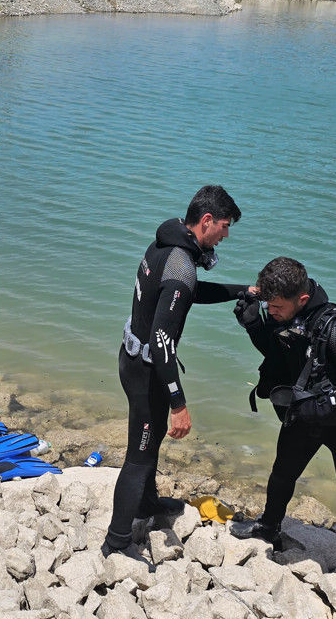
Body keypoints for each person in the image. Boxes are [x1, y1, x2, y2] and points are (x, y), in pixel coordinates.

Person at [102, 185, 249, 555]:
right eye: (225, 227)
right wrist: (178, 403)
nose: (226, 235)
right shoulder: (182, 264)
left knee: (148, 446)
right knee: (140, 454)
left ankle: (148, 503)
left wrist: (243, 290)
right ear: (206, 221)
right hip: (148, 368)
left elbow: (188, 291)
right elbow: (162, 339)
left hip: (131, 357)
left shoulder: (167, 243)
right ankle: (115, 543)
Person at [233, 257, 336, 609]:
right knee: (281, 475)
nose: (273, 311)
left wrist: (322, 406)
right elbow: (282, 356)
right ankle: (267, 528)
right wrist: (255, 325)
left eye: (277, 307)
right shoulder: (288, 316)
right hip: (306, 418)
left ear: (302, 299)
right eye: (268, 305)